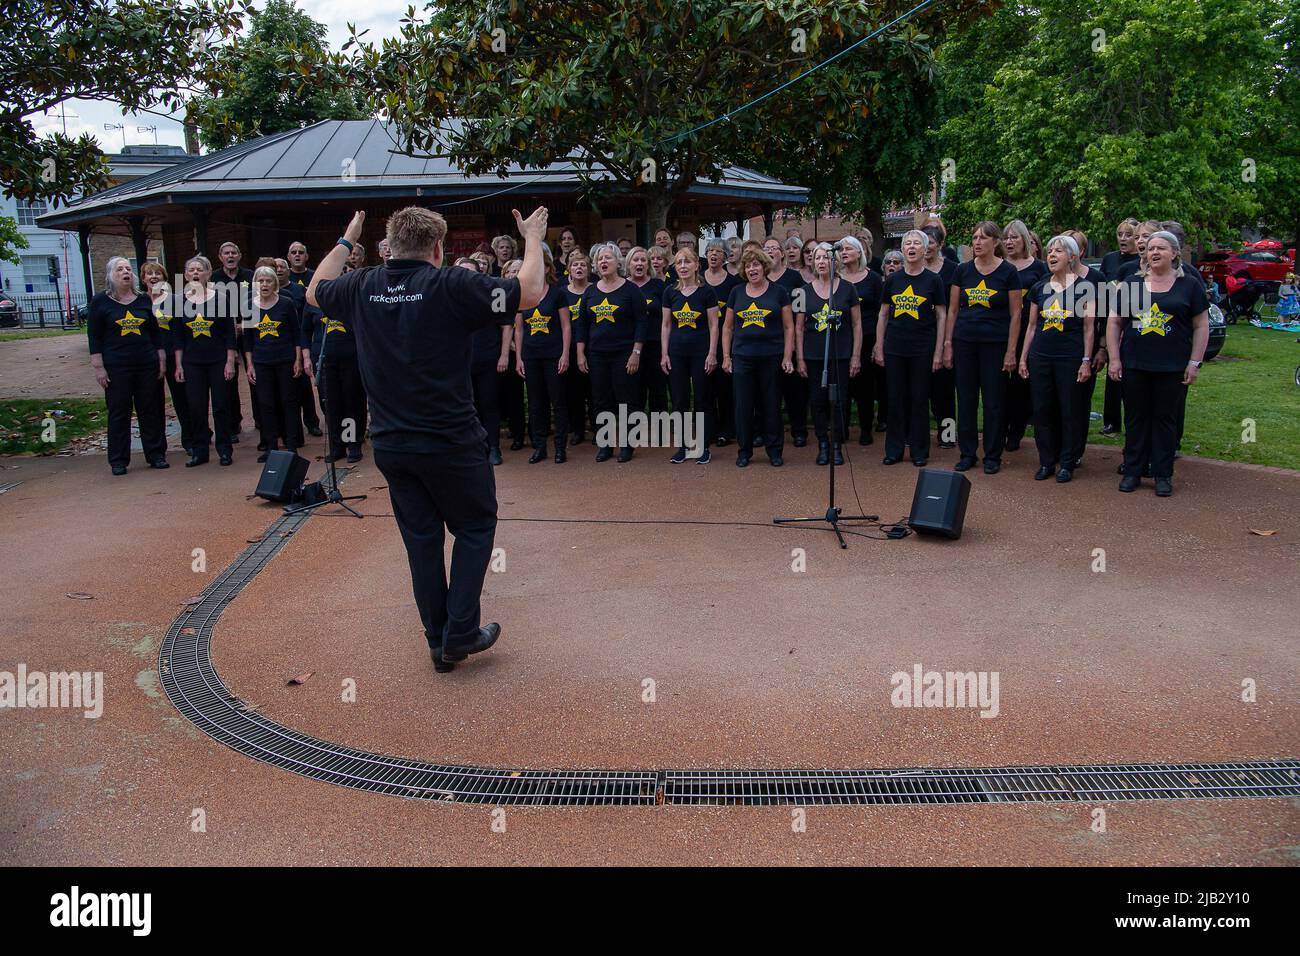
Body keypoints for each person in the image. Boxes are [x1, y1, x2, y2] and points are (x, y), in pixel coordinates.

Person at [309, 204, 548, 673]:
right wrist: (534, 237)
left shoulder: (361, 286)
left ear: (388, 246)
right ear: (437, 248)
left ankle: (438, 641)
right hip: (451, 440)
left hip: (393, 444)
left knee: (421, 541)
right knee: (475, 528)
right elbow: (530, 292)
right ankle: (458, 633)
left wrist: (345, 238)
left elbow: (317, 290)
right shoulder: (451, 284)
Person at [1107, 231, 1209, 497]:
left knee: (1165, 420)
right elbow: (1115, 322)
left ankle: (1163, 474)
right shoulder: (1131, 283)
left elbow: (1201, 325)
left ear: (1174, 253)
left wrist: (1194, 362)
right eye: (1150, 248)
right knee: (1135, 418)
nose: (1154, 252)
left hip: (1171, 366)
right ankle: (1132, 471)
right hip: (1135, 364)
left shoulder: (1189, 286)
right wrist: (1115, 359)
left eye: (1161, 248)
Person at [945, 221, 1023, 474]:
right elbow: (953, 310)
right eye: (975, 237)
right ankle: (967, 453)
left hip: (995, 345)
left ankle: (992, 455)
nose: (977, 242)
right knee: (965, 400)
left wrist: (1011, 351)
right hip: (965, 342)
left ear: (995, 242)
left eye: (983, 238)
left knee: (993, 402)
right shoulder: (962, 270)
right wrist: (948, 344)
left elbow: (1016, 314)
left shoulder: (1008, 272)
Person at [1018, 235, 1094, 483]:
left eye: (1058, 251)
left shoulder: (1085, 288)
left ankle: (1067, 462)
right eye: (1050, 251)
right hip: (1041, 356)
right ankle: (1046, 461)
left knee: (1069, 410)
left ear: (1072, 257)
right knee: (1042, 410)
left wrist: (1086, 360)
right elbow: (1030, 327)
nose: (1051, 255)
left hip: (1070, 357)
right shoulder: (1039, 288)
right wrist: (1023, 358)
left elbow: (1088, 328)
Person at [87, 257, 167, 475]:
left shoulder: (143, 300)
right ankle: (118, 459)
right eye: (120, 269)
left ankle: (156, 454)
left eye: (128, 269)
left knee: (149, 409)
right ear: (111, 275)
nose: (125, 272)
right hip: (116, 366)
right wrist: (98, 367)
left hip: (146, 363)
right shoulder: (100, 302)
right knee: (119, 412)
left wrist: (161, 359)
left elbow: (155, 333)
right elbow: (94, 337)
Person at [875, 230, 947, 466]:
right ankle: (894, 450)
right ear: (903, 249)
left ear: (925, 249)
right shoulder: (893, 280)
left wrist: (939, 351)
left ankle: (919, 450)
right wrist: (879, 345)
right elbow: (884, 313)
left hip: (922, 347)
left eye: (917, 243)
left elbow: (941, 316)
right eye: (908, 243)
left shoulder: (933, 280)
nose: (912, 247)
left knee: (918, 399)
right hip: (895, 346)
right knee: (895, 399)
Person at [575, 243, 648, 462]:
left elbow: (641, 323)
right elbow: (582, 325)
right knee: (601, 401)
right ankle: (605, 445)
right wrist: (580, 353)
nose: (603, 262)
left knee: (627, 400)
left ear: (618, 262)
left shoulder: (631, 290)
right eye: (600, 259)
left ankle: (628, 445)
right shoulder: (590, 291)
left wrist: (636, 352)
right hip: (597, 355)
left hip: (624, 355)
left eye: (608, 258)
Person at [722, 246, 794, 467]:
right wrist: (726, 356)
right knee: (743, 406)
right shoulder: (736, 292)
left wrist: (787, 356)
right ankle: (744, 451)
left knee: (772, 404)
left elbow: (789, 327)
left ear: (764, 267)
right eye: (748, 265)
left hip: (772, 357)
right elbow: (727, 328)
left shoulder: (779, 292)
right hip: (743, 357)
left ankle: (774, 451)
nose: (752, 268)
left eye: (756, 264)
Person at [796, 243, 862, 466]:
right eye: (818, 258)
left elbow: (857, 324)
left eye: (826, 257)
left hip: (841, 353)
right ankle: (823, 443)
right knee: (817, 400)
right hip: (814, 355)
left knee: (840, 400)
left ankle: (836, 444)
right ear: (813, 262)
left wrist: (855, 356)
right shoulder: (803, 291)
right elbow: (798, 327)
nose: (822, 261)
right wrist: (800, 358)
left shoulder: (848, 289)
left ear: (834, 261)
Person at [172, 256, 238, 467]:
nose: (195, 273)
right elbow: (178, 338)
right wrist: (179, 364)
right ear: (185, 275)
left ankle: (225, 450)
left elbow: (230, 333)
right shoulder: (179, 301)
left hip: (218, 360)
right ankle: (200, 451)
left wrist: (230, 361)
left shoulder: (221, 298)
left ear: (208, 274)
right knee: (196, 407)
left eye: (199, 269)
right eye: (191, 270)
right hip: (192, 362)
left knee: (221, 406)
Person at [661, 246, 718, 463]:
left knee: (703, 399)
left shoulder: (707, 292)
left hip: (701, 353)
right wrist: (664, 354)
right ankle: (683, 446)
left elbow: (714, 325)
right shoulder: (670, 292)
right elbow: (666, 325)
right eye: (679, 263)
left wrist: (712, 353)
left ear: (696, 265)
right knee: (679, 401)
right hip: (676, 353)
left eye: (687, 262)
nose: (683, 266)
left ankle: (703, 447)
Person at [513, 246, 571, 463]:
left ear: (547, 268)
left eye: (541, 265)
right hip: (530, 355)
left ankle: (559, 448)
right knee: (536, 404)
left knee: (558, 402)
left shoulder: (558, 294)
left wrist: (565, 354)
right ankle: (539, 447)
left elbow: (566, 326)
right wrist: (518, 357)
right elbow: (518, 329)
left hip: (553, 354)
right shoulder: (523, 294)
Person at [299, 276, 366, 464]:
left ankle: (352, 442)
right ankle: (337, 445)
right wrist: (306, 358)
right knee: (331, 403)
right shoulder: (312, 303)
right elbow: (304, 331)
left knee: (352, 402)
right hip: (324, 359)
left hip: (350, 358)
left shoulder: (349, 300)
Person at [243, 266, 303, 462]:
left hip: (285, 359)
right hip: (261, 362)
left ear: (275, 283)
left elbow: (296, 334)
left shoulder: (286, 303)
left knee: (289, 401)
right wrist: (249, 365)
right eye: (260, 281)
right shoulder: (249, 306)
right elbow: (248, 340)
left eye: (268, 281)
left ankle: (292, 444)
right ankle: (271, 446)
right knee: (266, 404)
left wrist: (298, 359)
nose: (265, 284)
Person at [1001, 220, 1048, 450]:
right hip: (1002, 331)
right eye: (1006, 238)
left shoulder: (1039, 268)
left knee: (1021, 386)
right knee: (999, 386)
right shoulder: (998, 266)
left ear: (1025, 240)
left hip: (1028, 332)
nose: (1009, 242)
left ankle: (1016, 432)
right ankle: (998, 428)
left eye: (1014, 237)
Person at [140, 261, 193, 457]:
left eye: (158, 273)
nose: (153, 276)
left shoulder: (175, 300)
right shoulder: (139, 301)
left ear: (164, 277)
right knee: (153, 403)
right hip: (148, 358)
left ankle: (190, 440)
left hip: (172, 355)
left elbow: (183, 330)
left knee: (182, 400)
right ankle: (157, 447)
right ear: (143, 278)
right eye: (149, 274)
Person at [839, 236, 883, 445]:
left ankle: (866, 428)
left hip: (867, 338)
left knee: (864, 387)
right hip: (841, 338)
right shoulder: (835, 279)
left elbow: (880, 312)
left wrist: (877, 344)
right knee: (842, 387)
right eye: (842, 249)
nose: (844, 252)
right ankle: (842, 427)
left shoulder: (873, 279)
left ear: (859, 253)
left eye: (849, 248)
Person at [765, 236, 808, 448]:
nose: (771, 251)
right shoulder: (758, 278)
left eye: (775, 248)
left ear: (782, 253)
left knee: (794, 391)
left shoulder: (796, 279)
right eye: (767, 248)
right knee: (769, 392)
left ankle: (799, 430)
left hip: (789, 340)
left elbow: (800, 311)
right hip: (766, 344)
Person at [212, 241, 253, 441]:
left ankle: (262, 421)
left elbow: (257, 303)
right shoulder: (213, 279)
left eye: (233, 253)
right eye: (226, 253)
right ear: (220, 257)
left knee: (256, 377)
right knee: (228, 381)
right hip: (224, 337)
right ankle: (232, 424)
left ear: (239, 255)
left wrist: (243, 325)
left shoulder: (250, 276)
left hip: (249, 331)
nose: (230, 256)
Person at [703, 239, 741, 445]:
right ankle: (710, 429)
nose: (713, 254)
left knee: (724, 388)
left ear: (725, 256)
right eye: (710, 251)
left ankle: (727, 429)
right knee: (705, 388)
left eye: (718, 251)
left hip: (726, 343)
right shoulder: (698, 281)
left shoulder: (734, 284)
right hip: (703, 343)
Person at [923, 224, 957, 448]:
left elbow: (954, 308)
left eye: (931, 243)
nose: (926, 248)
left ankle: (948, 435)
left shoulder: (953, 270)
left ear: (940, 245)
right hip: (918, 337)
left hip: (944, 334)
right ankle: (915, 434)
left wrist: (947, 342)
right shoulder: (909, 269)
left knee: (944, 391)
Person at [626, 246, 668, 415]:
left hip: (655, 345)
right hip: (630, 347)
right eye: (635, 260)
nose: (640, 263)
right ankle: (635, 431)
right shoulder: (622, 286)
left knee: (658, 391)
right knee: (634, 391)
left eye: (643, 260)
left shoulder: (658, 286)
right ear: (628, 264)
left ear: (648, 264)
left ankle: (660, 431)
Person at [562, 250, 593, 444]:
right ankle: (578, 430)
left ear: (589, 270)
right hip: (570, 348)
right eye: (575, 265)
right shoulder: (562, 293)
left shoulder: (596, 289)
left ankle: (599, 429)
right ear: (569, 270)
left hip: (593, 347)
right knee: (574, 392)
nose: (579, 268)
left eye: (583, 265)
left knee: (594, 391)